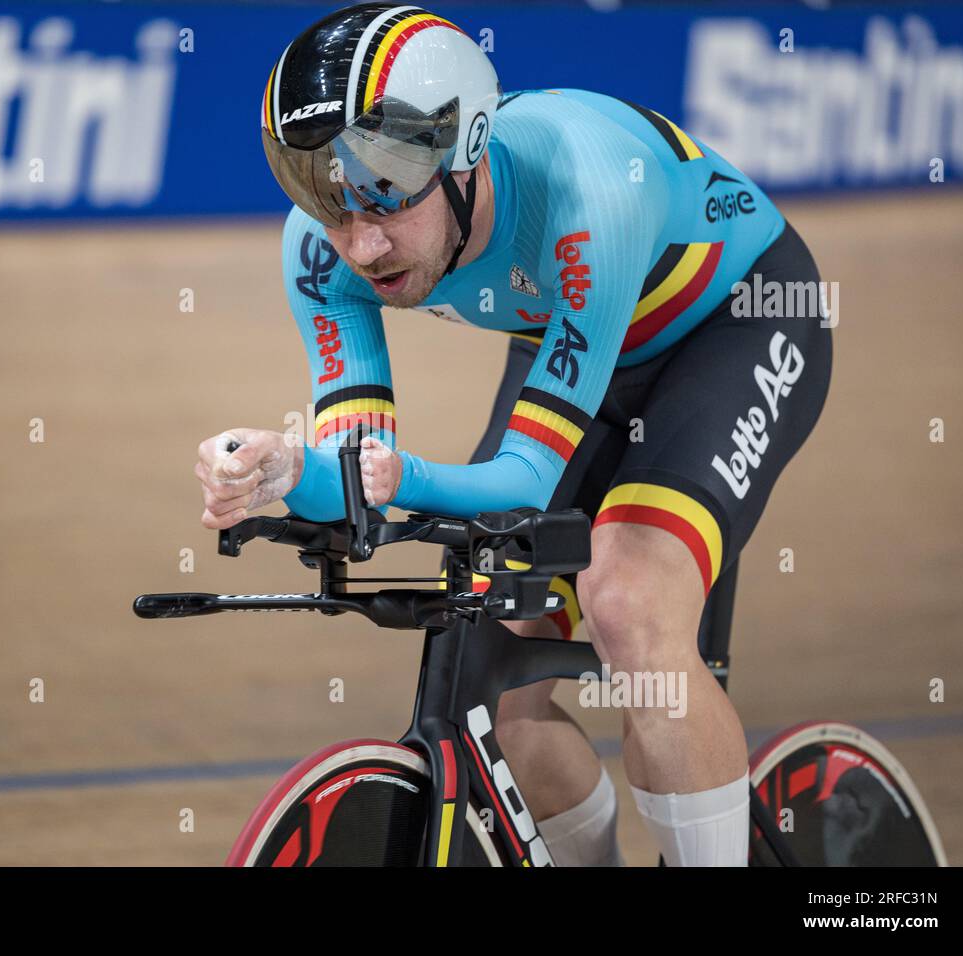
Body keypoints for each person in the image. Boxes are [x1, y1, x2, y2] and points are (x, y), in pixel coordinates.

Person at [194, 2, 831, 867]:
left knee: (630, 606)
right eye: (330, 203)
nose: (362, 243)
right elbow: (357, 473)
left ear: (470, 157)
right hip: (572, 344)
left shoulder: (587, 194)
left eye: (389, 199)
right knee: (490, 677)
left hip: (735, 323)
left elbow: (524, 480)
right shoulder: (322, 246)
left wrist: (397, 478)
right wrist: (285, 473)